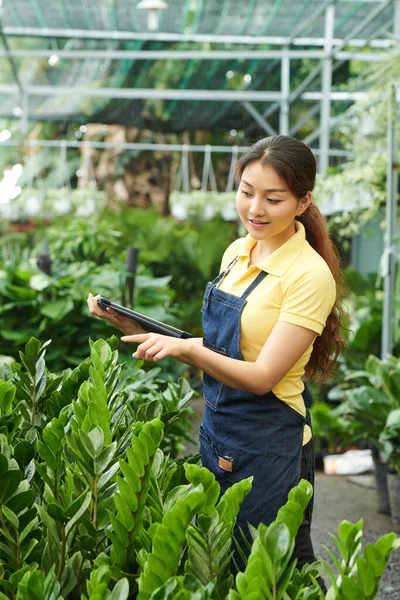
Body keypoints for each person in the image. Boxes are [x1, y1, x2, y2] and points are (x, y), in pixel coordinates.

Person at [87, 135, 346, 587]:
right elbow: (225, 347)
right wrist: (138, 330)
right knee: (224, 565)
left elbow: (263, 376)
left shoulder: (309, 275)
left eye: (273, 198)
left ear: (304, 201)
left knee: (271, 572)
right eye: (246, 192)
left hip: (269, 442)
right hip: (220, 432)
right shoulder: (238, 251)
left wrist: (189, 350)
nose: (255, 209)